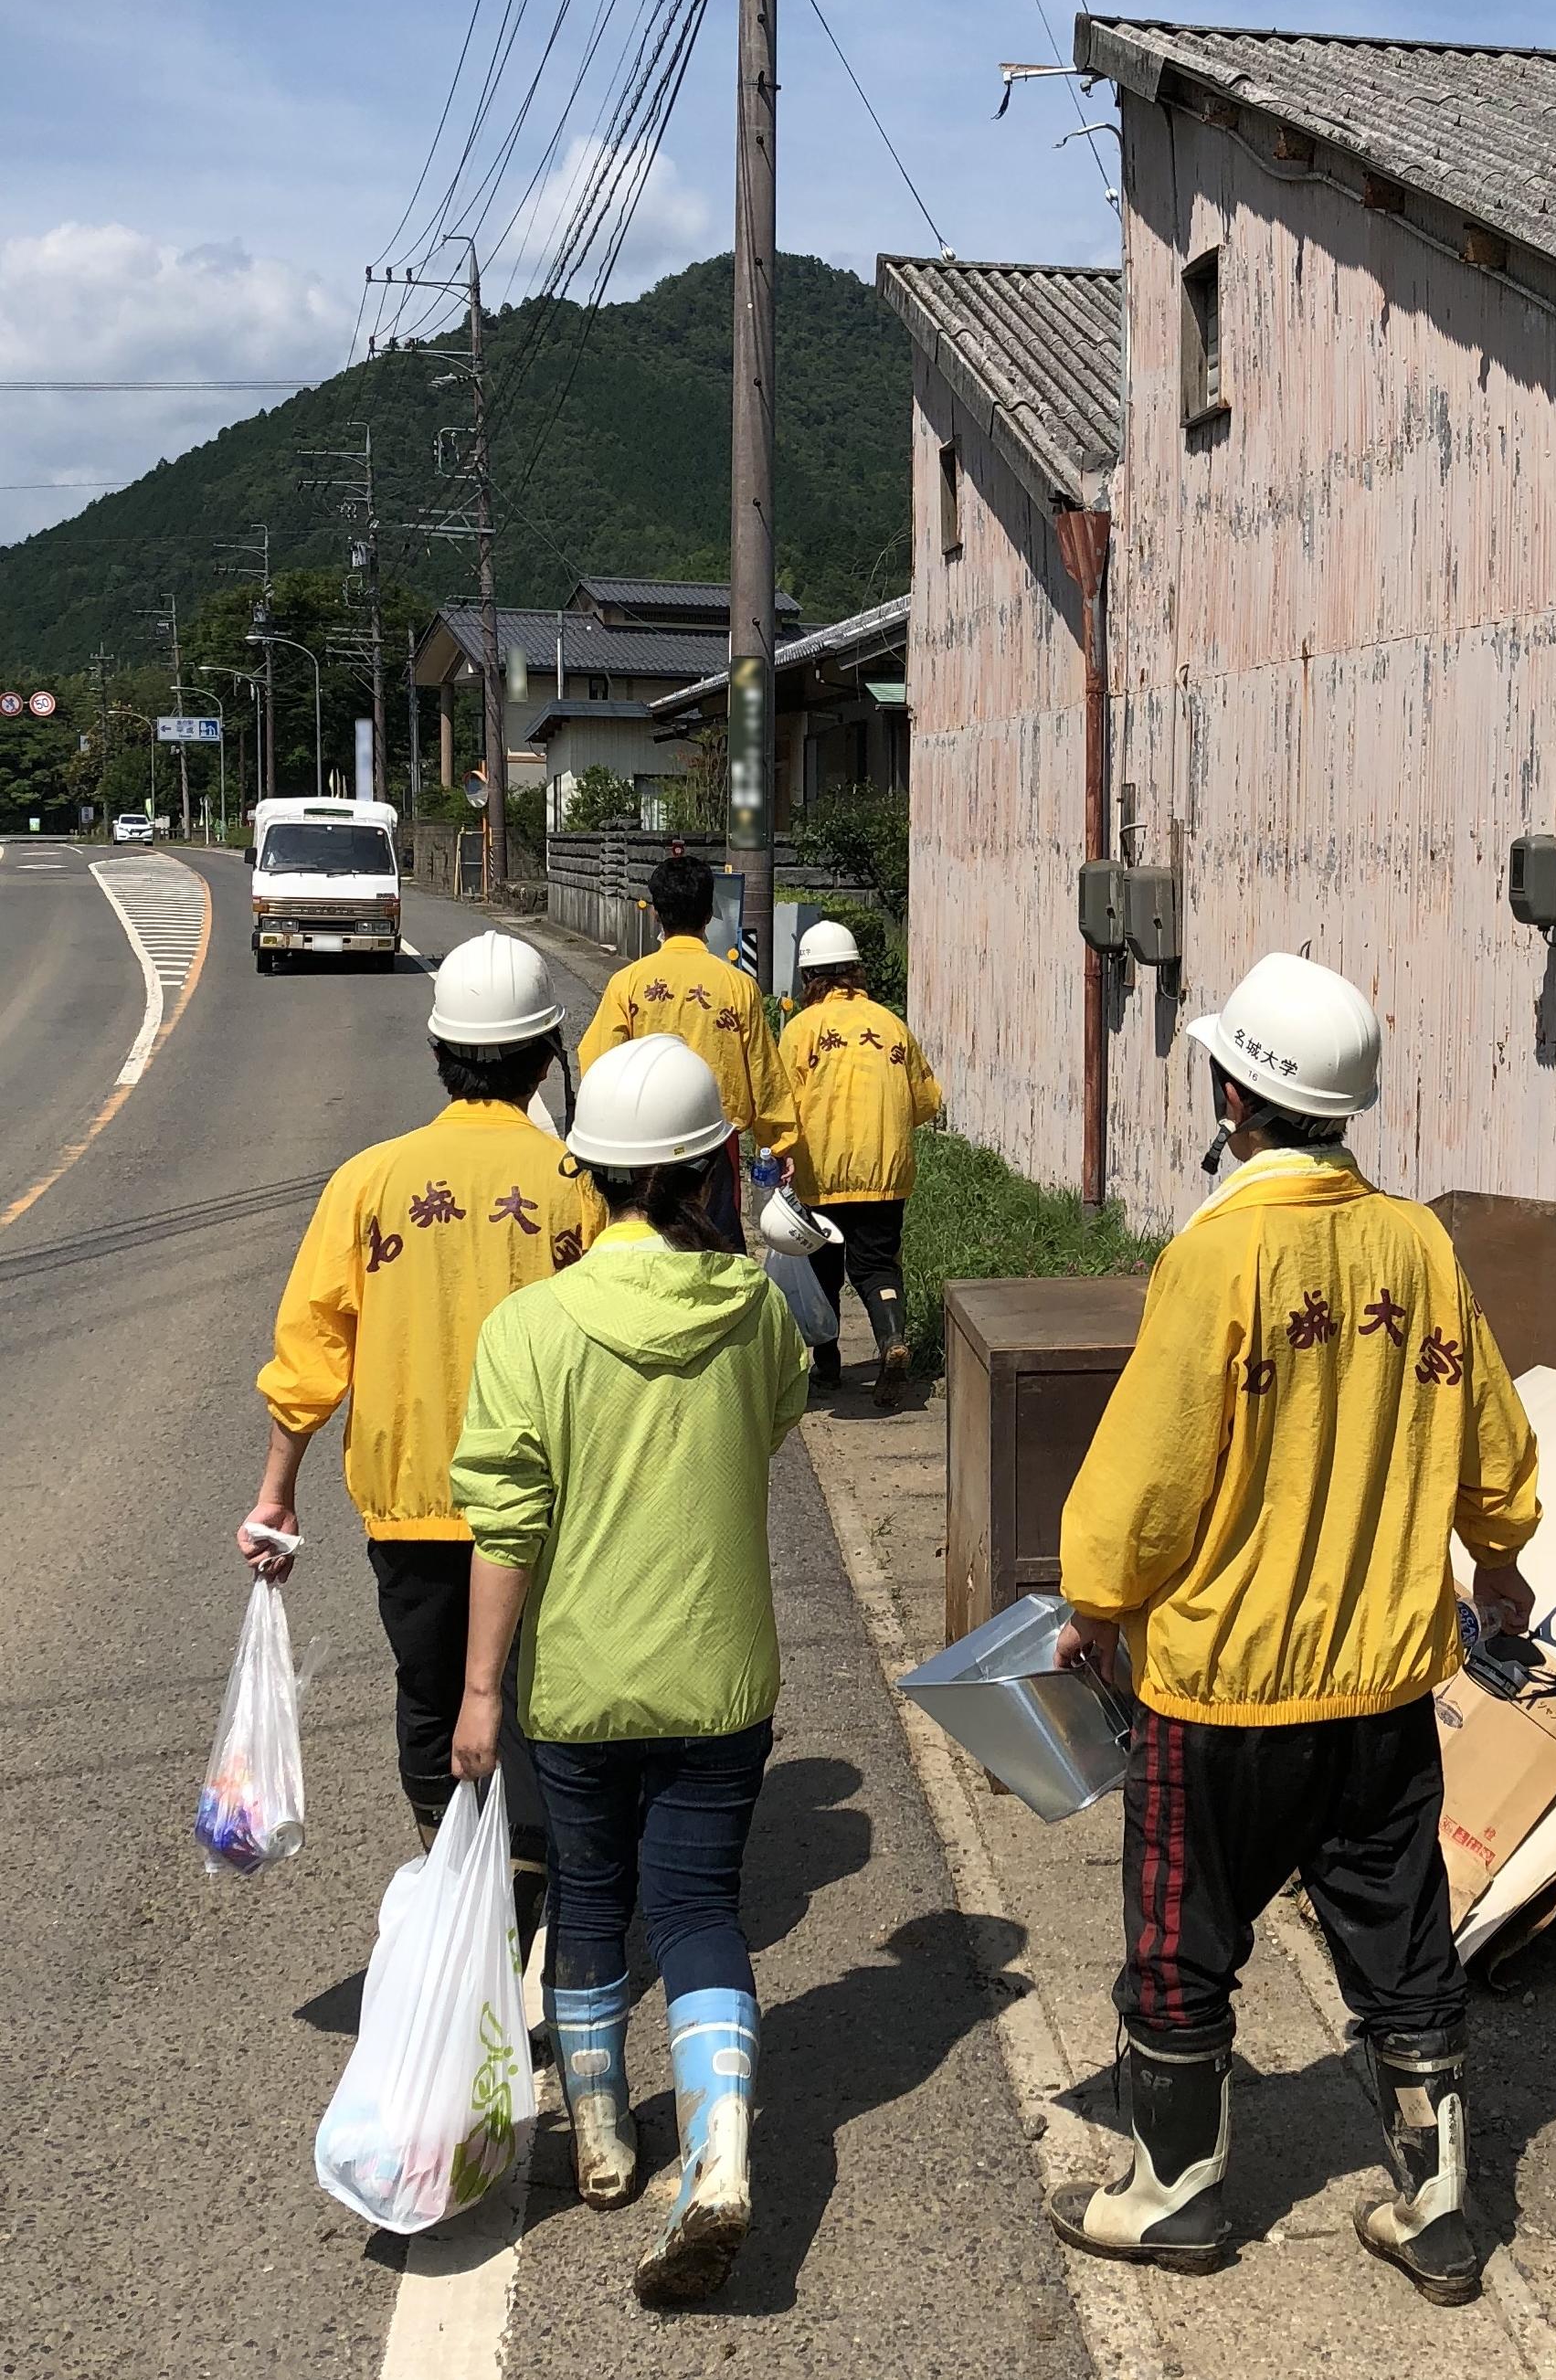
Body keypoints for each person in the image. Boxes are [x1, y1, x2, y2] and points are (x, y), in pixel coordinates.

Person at [1045, 951, 1540, 2303]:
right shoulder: (1419, 1244)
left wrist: (1097, 1604)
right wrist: (1494, 1561)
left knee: (1180, 1931)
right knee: (1398, 1934)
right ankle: (1437, 2207)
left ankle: (1177, 2193)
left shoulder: (1216, 1255)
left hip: (1223, 1692)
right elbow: (1493, 1444)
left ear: (1229, 1088)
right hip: (1381, 1686)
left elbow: (1144, 1481)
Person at [447, 1033, 810, 2310]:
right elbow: (775, 1417)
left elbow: (506, 1520)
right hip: (720, 1674)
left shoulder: (528, 1326)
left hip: (578, 1684)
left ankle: (601, 2143)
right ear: (711, 1167)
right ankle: (718, 2154)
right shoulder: (754, 1307)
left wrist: (482, 1690)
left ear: (587, 1172)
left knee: (589, 1899)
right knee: (700, 1905)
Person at [242, 932, 603, 1950]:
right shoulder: (578, 1181)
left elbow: (311, 1346)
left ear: (441, 1051)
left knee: (430, 1695)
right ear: (544, 1056)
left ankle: (456, 1876)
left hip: (410, 1495)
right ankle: (528, 1898)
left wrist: (279, 1489)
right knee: (538, 1697)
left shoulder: (370, 1179)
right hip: (550, 1497)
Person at [576, 854, 799, 1251]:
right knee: (715, 1249)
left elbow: (597, 1060)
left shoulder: (628, 983)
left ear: (656, 914)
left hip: (639, 1146)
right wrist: (778, 1145)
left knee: (644, 1244)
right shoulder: (737, 986)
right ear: (710, 912)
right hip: (713, 1147)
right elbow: (763, 1075)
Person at [779, 917, 942, 1404]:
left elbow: (781, 1100)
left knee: (823, 1269)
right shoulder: (892, 1025)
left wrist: (776, 1151)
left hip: (820, 1173)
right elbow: (925, 1101)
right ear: (855, 972)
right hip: (885, 1173)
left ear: (810, 979)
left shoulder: (802, 1028)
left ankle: (827, 1369)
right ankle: (893, 1339)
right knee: (875, 1266)